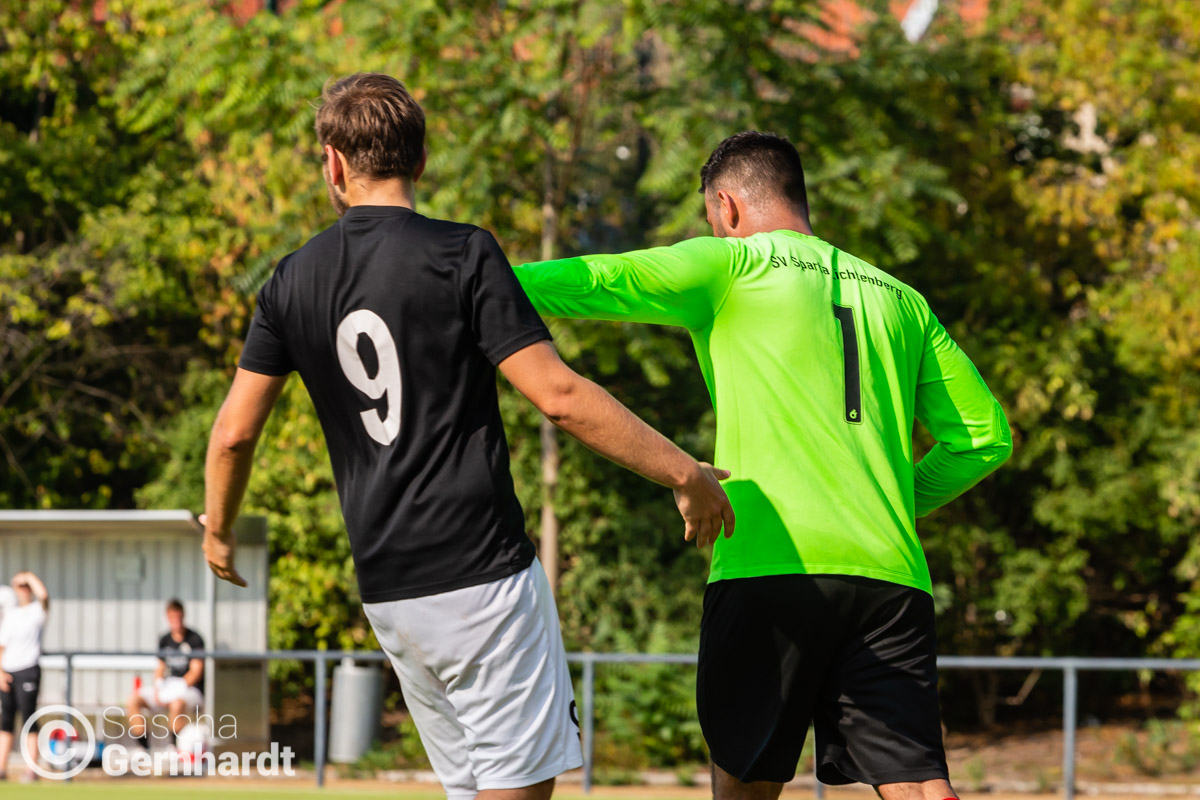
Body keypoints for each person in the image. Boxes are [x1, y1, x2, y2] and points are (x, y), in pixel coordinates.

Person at [201, 73, 733, 800]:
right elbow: (559, 397)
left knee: (472, 788)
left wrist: (219, 533)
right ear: (421, 160)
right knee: (517, 788)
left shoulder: (289, 281)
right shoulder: (462, 253)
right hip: (480, 574)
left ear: (333, 163)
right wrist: (683, 471)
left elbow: (233, 435)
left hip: (388, 589)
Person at [513, 131, 1013, 800]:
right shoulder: (901, 298)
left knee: (745, 789)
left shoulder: (731, 265)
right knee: (920, 786)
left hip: (768, 566)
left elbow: (597, 280)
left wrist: (471, 283)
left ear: (727, 207)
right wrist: (888, 500)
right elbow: (985, 438)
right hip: (890, 576)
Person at [125, 599, 205, 750]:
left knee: (177, 704)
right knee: (133, 701)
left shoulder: (194, 639)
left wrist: (178, 688)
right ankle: (143, 748)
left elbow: (197, 671)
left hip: (190, 689)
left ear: (183, 616)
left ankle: (174, 748)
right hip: (169, 686)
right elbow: (160, 667)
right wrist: (158, 686)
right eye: (172, 617)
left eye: (178, 617)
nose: (176, 621)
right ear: (168, 617)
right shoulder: (164, 639)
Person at [0, 571, 50, 782]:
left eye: (26, 586)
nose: (23, 590)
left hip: (28, 669)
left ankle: (32, 769)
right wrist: (0, 672)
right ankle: (1, 769)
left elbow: (44, 596)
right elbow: (2, 646)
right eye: (19, 586)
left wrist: (28, 576)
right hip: (8, 672)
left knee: (29, 718)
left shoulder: (37, 611)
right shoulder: (10, 614)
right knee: (6, 720)